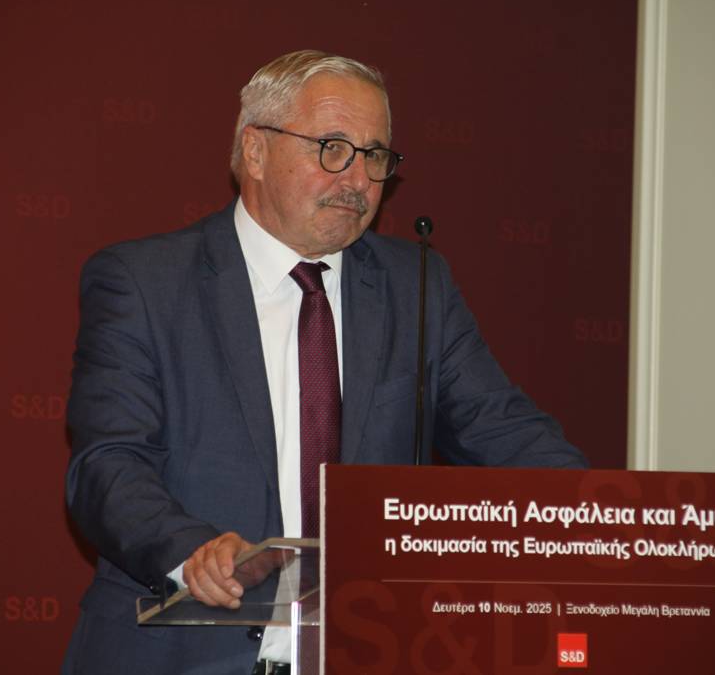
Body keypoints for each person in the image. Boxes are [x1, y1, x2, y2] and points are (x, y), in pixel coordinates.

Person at [62, 50, 587, 675]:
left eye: (375, 155)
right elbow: (108, 465)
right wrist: (191, 551)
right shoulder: (145, 283)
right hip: (178, 654)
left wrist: (609, 518)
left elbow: (505, 431)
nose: (359, 179)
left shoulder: (415, 286)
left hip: (362, 651)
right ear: (255, 151)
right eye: (333, 148)